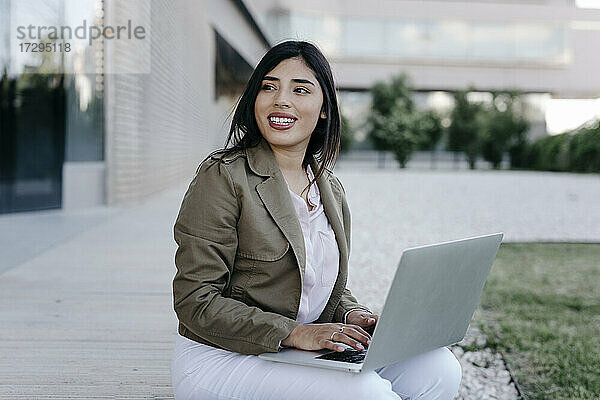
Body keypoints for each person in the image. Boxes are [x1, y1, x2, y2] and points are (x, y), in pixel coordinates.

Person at [170, 40, 461, 400]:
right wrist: (295, 332)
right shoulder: (224, 177)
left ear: (324, 109)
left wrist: (353, 315)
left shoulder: (330, 190)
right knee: (366, 392)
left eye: (300, 89)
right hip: (224, 358)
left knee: (439, 368)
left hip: (299, 352)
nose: (281, 100)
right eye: (269, 86)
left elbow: (319, 287)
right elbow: (195, 300)